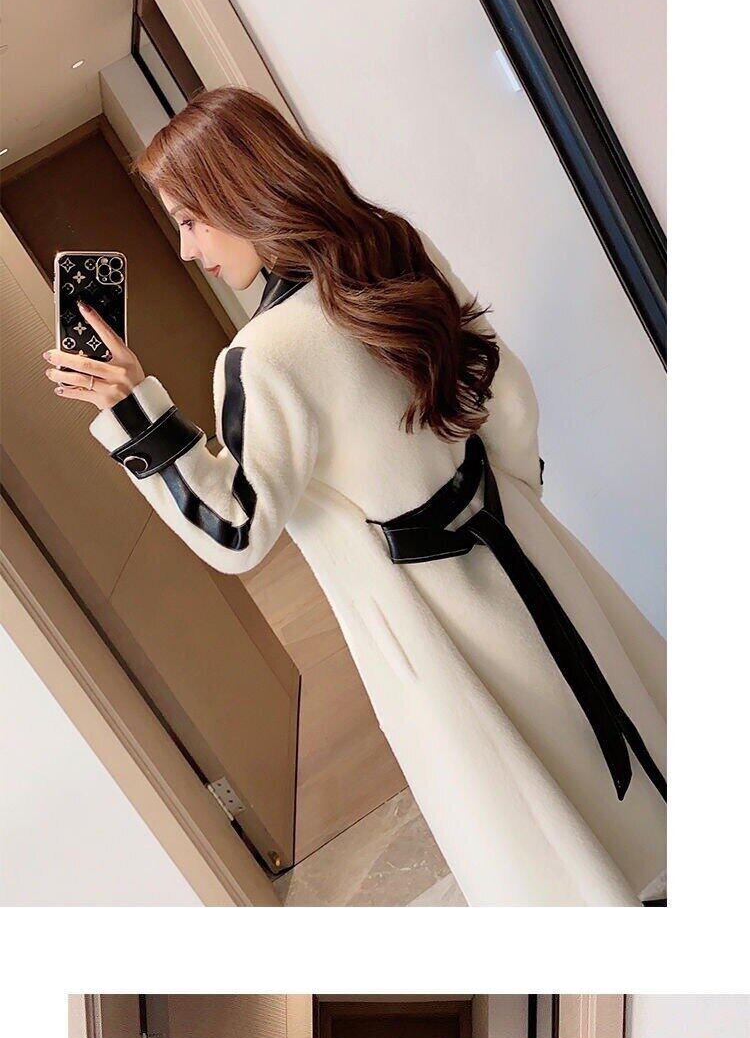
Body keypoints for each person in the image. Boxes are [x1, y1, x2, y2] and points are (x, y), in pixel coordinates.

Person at [44, 85, 666, 908]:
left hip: (431, 619)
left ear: (239, 192)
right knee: (626, 726)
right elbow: (506, 392)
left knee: (538, 821)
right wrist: (516, 506)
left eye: (191, 220)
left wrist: (133, 410)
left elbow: (235, 530)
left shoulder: (260, 358)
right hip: (524, 546)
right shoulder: (395, 248)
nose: (189, 249)